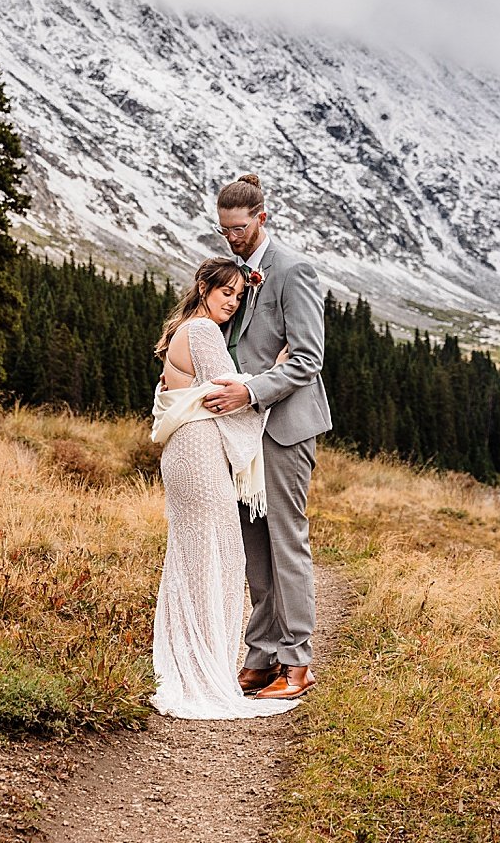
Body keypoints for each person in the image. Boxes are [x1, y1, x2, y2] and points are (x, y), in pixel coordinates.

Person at [201, 173, 332, 701]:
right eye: (223, 229)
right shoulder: (235, 274)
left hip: (283, 430)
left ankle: (298, 663)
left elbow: (307, 359)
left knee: (286, 543)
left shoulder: (294, 270)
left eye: (238, 228)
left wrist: (252, 390)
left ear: (262, 217)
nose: (230, 238)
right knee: (252, 546)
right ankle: (260, 657)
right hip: (240, 432)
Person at [147, 256, 296, 719]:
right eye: (224, 293)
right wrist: (271, 376)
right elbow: (227, 396)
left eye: (238, 296)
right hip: (199, 453)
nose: (231, 303)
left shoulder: (180, 331)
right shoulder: (204, 331)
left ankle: (189, 664)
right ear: (204, 288)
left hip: (186, 454)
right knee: (219, 555)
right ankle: (202, 671)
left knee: (194, 557)